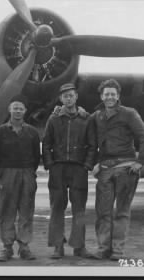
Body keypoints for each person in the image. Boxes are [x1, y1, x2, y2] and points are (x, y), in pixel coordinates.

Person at [91, 78, 144, 261]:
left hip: (126, 169)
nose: (109, 97)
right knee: (103, 211)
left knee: (121, 212)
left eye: (113, 94)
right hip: (105, 169)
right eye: (106, 94)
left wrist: (141, 161)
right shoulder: (97, 116)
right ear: (101, 96)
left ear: (118, 96)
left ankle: (117, 251)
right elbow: (89, 136)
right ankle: (103, 249)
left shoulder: (129, 114)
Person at [42, 83, 97, 259]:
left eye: (71, 95)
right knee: (57, 207)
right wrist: (50, 164)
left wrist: (87, 165)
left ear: (76, 97)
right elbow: (46, 143)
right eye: (65, 96)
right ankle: (58, 246)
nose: (68, 98)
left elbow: (92, 145)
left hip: (78, 169)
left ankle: (79, 246)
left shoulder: (86, 119)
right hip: (58, 168)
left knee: (79, 209)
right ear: (61, 99)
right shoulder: (54, 119)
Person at [0, 95, 40, 262]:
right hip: (7, 173)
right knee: (6, 211)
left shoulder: (32, 132)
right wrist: (5, 171)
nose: (18, 111)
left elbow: (36, 156)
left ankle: (24, 246)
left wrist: (28, 172)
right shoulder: (0, 131)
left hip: (27, 173)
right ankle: (7, 247)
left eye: (21, 108)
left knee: (26, 210)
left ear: (25, 111)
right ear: (9, 109)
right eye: (15, 107)